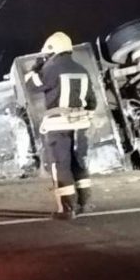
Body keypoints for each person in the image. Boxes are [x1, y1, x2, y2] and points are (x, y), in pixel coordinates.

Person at [25, 31, 97, 219]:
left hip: (58, 125)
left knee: (61, 165)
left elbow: (32, 86)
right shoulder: (82, 69)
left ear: (52, 50)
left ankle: (67, 209)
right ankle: (85, 203)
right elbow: (92, 102)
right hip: (80, 124)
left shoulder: (50, 68)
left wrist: (36, 67)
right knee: (79, 162)